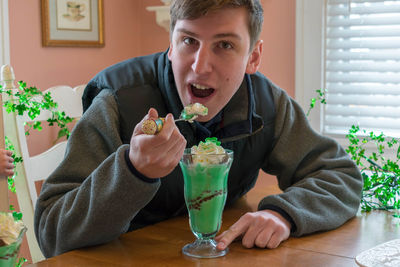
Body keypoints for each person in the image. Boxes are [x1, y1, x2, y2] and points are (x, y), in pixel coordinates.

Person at [34, 0, 362, 258]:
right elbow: (52, 232)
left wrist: (284, 215)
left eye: (225, 45)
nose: (200, 66)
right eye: (189, 41)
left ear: (253, 57)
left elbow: (340, 177)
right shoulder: (118, 102)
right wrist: (132, 171)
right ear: (171, 46)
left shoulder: (265, 104)